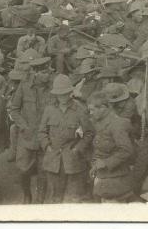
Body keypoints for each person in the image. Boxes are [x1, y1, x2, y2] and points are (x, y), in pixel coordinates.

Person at [38, 74, 93, 203]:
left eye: (65, 93)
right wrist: (48, 146)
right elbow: (41, 132)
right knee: (54, 199)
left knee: (73, 199)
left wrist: (77, 150)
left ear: (70, 92)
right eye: (59, 94)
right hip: (53, 160)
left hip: (73, 162)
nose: (62, 97)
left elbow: (89, 133)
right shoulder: (49, 110)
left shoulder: (80, 109)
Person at [10, 50, 51, 204]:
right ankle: (27, 195)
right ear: (35, 72)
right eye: (44, 72)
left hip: (46, 136)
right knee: (22, 169)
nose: (47, 75)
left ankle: (40, 199)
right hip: (27, 135)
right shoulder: (24, 85)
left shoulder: (53, 86)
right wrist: (23, 126)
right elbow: (14, 109)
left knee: (44, 170)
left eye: (48, 71)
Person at [87, 91, 135, 202]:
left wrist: (105, 163)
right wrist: (96, 166)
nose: (90, 113)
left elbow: (126, 150)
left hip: (117, 179)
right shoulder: (100, 123)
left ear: (103, 108)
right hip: (103, 176)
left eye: (92, 109)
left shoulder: (117, 124)